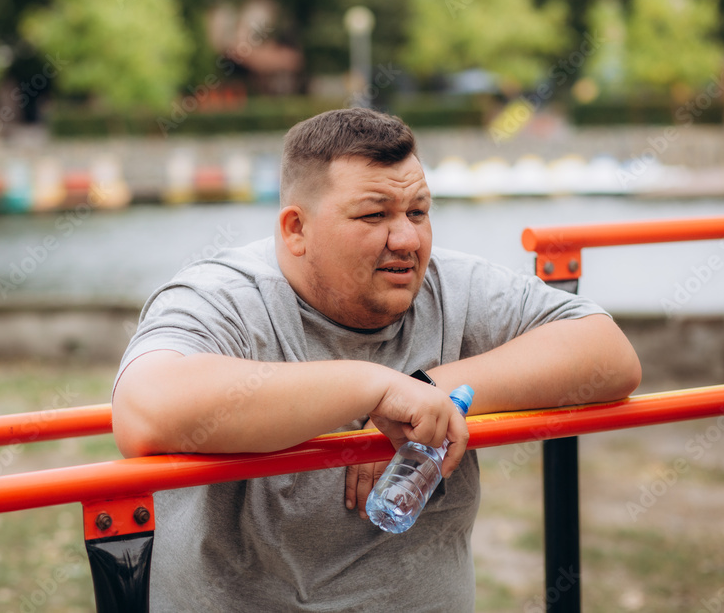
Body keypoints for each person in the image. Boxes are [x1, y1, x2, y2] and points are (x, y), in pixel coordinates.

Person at [112, 108, 642, 612]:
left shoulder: (449, 284)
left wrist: (428, 386)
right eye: (374, 215)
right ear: (296, 229)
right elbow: (144, 410)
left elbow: (609, 355)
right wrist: (373, 387)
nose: (408, 239)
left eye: (418, 211)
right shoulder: (224, 296)